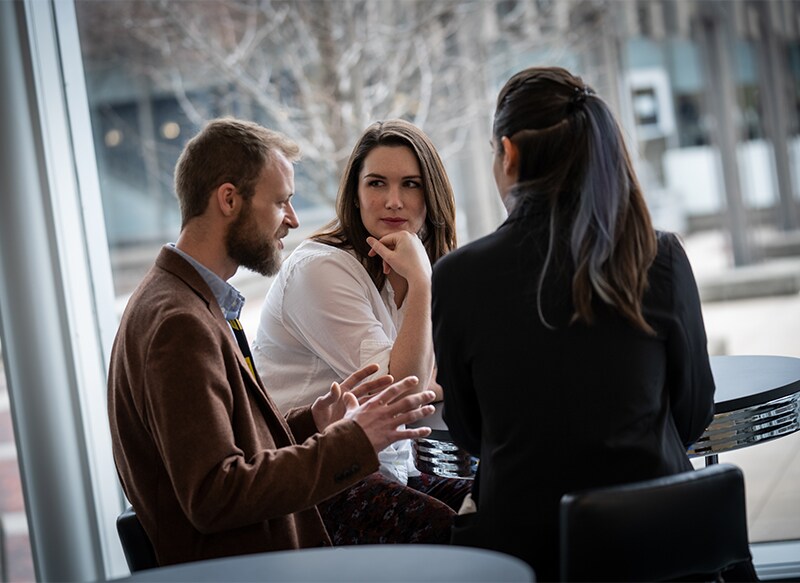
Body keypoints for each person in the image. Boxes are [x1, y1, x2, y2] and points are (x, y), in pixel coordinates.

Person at [107, 117, 437, 567]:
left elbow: (228, 451)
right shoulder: (177, 323)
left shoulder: (188, 300)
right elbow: (214, 496)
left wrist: (312, 422)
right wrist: (352, 441)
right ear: (229, 199)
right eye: (281, 202)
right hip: (252, 567)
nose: (294, 220)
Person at [430, 67, 716, 580]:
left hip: (529, 553)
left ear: (508, 153)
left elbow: (473, 433)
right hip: (660, 544)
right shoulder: (657, 255)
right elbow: (692, 411)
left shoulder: (458, 276)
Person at [252, 119, 471, 544]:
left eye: (411, 184)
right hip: (316, 492)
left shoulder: (396, 265)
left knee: (504, 506)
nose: (393, 201)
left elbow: (444, 372)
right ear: (354, 195)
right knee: (461, 533)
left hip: (385, 473)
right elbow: (406, 392)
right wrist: (422, 284)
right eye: (376, 183)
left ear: (432, 195)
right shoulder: (321, 269)